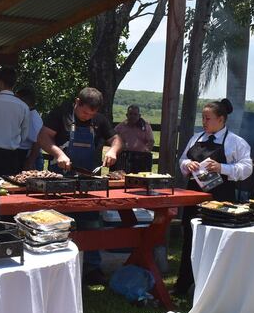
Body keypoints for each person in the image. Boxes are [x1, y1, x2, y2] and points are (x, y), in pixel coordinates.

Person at [38, 87, 123, 285]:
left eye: (91, 114)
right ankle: (56, 269)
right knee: (59, 224)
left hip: (89, 182)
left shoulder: (99, 121)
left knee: (91, 224)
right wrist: (58, 154)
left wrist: (113, 151)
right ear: (77, 102)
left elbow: (117, 139)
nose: (87, 117)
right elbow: (42, 137)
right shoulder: (61, 114)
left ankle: (91, 269)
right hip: (60, 180)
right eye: (84, 112)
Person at [174, 98, 253, 296]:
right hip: (194, 197)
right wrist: (187, 165)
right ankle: (183, 285)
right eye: (202, 118)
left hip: (220, 199)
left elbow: (247, 168)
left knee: (216, 242)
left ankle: (213, 290)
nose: (204, 122)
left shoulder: (235, 142)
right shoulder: (196, 138)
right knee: (190, 239)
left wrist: (222, 168)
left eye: (207, 118)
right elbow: (182, 160)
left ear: (221, 119)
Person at [113, 104, 154, 173]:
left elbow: (151, 141)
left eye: (135, 114)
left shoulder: (145, 127)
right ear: (127, 115)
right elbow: (113, 139)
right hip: (124, 157)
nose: (133, 116)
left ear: (139, 116)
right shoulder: (120, 127)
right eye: (130, 114)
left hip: (140, 157)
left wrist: (146, 153)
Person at [16, 86, 44, 171]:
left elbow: (38, 142)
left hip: (30, 158)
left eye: (17, 100)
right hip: (22, 156)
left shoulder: (32, 118)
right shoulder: (28, 115)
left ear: (23, 101)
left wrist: (30, 162)